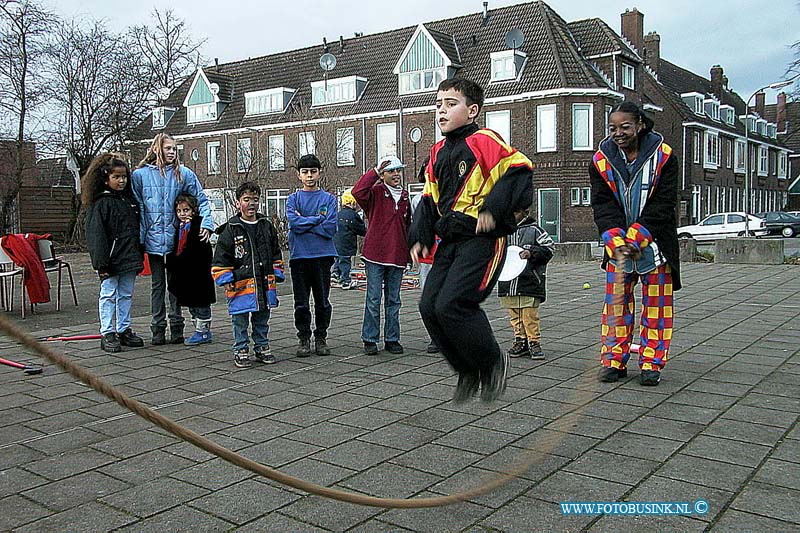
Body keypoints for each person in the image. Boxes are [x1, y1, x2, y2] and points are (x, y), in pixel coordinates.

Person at [409, 78, 533, 403]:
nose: (441, 111)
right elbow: (428, 198)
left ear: (473, 110)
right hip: (450, 239)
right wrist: (421, 235)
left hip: (482, 237)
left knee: (454, 303)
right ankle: (467, 370)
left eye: (451, 104)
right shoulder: (436, 152)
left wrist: (493, 209)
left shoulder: (483, 140)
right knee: (429, 306)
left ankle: (493, 363)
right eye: (438, 105)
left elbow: (519, 169)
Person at [589, 101, 681, 387]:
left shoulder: (665, 157)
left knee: (656, 308)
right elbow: (603, 204)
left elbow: (664, 204)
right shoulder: (600, 160)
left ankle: (652, 362)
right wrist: (615, 238)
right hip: (617, 248)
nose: (618, 133)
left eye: (625, 127)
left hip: (655, 248)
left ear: (640, 125)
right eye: (613, 128)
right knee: (616, 307)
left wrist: (638, 236)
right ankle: (614, 361)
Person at [132, 133, 214, 345]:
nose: (172, 152)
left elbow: (201, 200)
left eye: (174, 149)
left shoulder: (183, 173)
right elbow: (135, 207)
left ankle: (177, 326)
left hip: (177, 240)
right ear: (156, 149)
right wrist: (138, 239)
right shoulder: (140, 176)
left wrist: (206, 224)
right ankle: (158, 328)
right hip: (152, 239)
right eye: (168, 148)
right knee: (157, 285)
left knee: (175, 284)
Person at [212, 181, 284, 368]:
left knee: (262, 318)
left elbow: (275, 251)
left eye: (255, 199)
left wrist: (276, 271)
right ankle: (241, 348)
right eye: (246, 200)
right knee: (240, 319)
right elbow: (221, 257)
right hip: (240, 284)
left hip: (264, 281)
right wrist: (225, 278)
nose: (251, 204)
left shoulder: (266, 226)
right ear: (237, 203)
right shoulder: (230, 229)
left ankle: (261, 346)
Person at [84, 153, 145, 353]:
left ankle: (124, 328)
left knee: (126, 294)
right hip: (110, 260)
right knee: (108, 294)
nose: (121, 181)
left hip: (129, 257)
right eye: (116, 177)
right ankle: (107, 332)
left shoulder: (129, 201)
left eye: (124, 177)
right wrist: (101, 263)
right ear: (105, 178)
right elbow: (96, 236)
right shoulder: (100, 204)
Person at [352, 155, 412, 355]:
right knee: (374, 298)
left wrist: (410, 254)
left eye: (398, 170)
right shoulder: (375, 193)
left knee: (394, 300)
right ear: (383, 174)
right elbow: (357, 192)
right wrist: (374, 173)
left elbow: (408, 226)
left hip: (397, 255)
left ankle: (392, 338)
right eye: (391, 171)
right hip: (375, 255)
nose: (396, 174)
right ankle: (370, 338)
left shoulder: (405, 196)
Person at [286, 154, 338, 357]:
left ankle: (321, 336)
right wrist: (318, 220)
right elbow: (293, 224)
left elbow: (330, 228)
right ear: (298, 175)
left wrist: (306, 221)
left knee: (322, 301)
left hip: (323, 256)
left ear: (320, 173)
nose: (309, 176)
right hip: (299, 257)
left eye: (313, 171)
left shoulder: (329, 199)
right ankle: (304, 337)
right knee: (301, 302)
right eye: (305, 172)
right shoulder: (293, 199)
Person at [497, 209, 554, 360]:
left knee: (530, 315)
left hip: (530, 281)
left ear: (525, 212)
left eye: (515, 212)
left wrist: (532, 252)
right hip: (508, 282)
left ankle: (534, 341)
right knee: (514, 314)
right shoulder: (502, 231)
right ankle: (520, 340)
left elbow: (549, 248)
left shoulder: (534, 230)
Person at [166, 194, 216, 346]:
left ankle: (203, 331)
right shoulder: (180, 228)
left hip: (198, 273)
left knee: (201, 304)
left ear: (194, 210)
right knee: (192, 304)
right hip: (186, 274)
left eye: (186, 210)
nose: (182, 214)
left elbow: (203, 250)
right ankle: (198, 328)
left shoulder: (198, 227)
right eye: (179, 211)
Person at [410, 157, 439, 354]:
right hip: (429, 257)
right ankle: (435, 337)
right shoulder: (418, 200)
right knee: (429, 298)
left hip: (450, 255)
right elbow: (417, 226)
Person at [332, 189, 366, 290]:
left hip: (336, 242)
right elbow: (359, 229)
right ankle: (345, 281)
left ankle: (335, 274)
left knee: (339, 259)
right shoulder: (353, 215)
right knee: (345, 261)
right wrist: (367, 232)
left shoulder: (338, 214)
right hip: (346, 244)